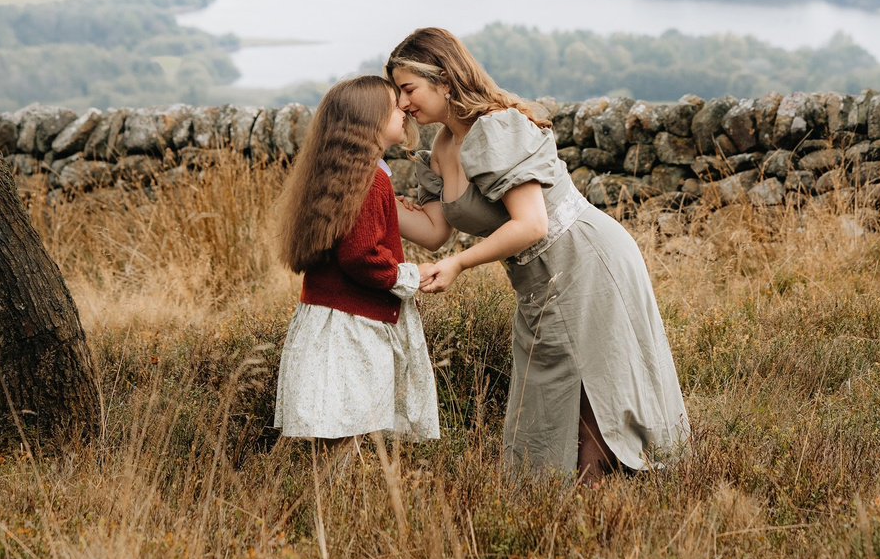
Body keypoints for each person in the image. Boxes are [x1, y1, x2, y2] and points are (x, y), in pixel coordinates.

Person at [388, 27, 688, 479]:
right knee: (550, 394)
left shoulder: (495, 128)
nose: (404, 103)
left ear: (444, 79)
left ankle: (596, 520)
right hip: (538, 278)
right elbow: (434, 233)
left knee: (593, 397)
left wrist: (460, 264)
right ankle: (559, 515)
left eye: (408, 88)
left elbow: (532, 224)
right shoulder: (442, 148)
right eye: (398, 92)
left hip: (586, 259)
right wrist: (368, 194)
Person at [271, 75, 440, 443]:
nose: (404, 111)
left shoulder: (343, 173)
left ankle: (324, 496)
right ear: (370, 121)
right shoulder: (371, 180)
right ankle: (329, 497)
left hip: (329, 318)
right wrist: (408, 275)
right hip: (354, 327)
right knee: (350, 426)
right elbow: (361, 255)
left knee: (336, 427)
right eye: (394, 107)